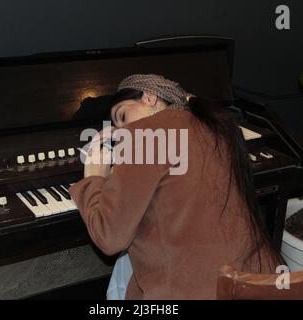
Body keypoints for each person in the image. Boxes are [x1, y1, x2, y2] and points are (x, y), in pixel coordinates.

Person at [69, 74, 284, 299]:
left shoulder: (145, 134)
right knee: (127, 264)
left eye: (122, 116)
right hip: (256, 284)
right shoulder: (214, 125)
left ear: (149, 97)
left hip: (193, 292)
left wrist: (93, 178)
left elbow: (109, 237)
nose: (122, 129)